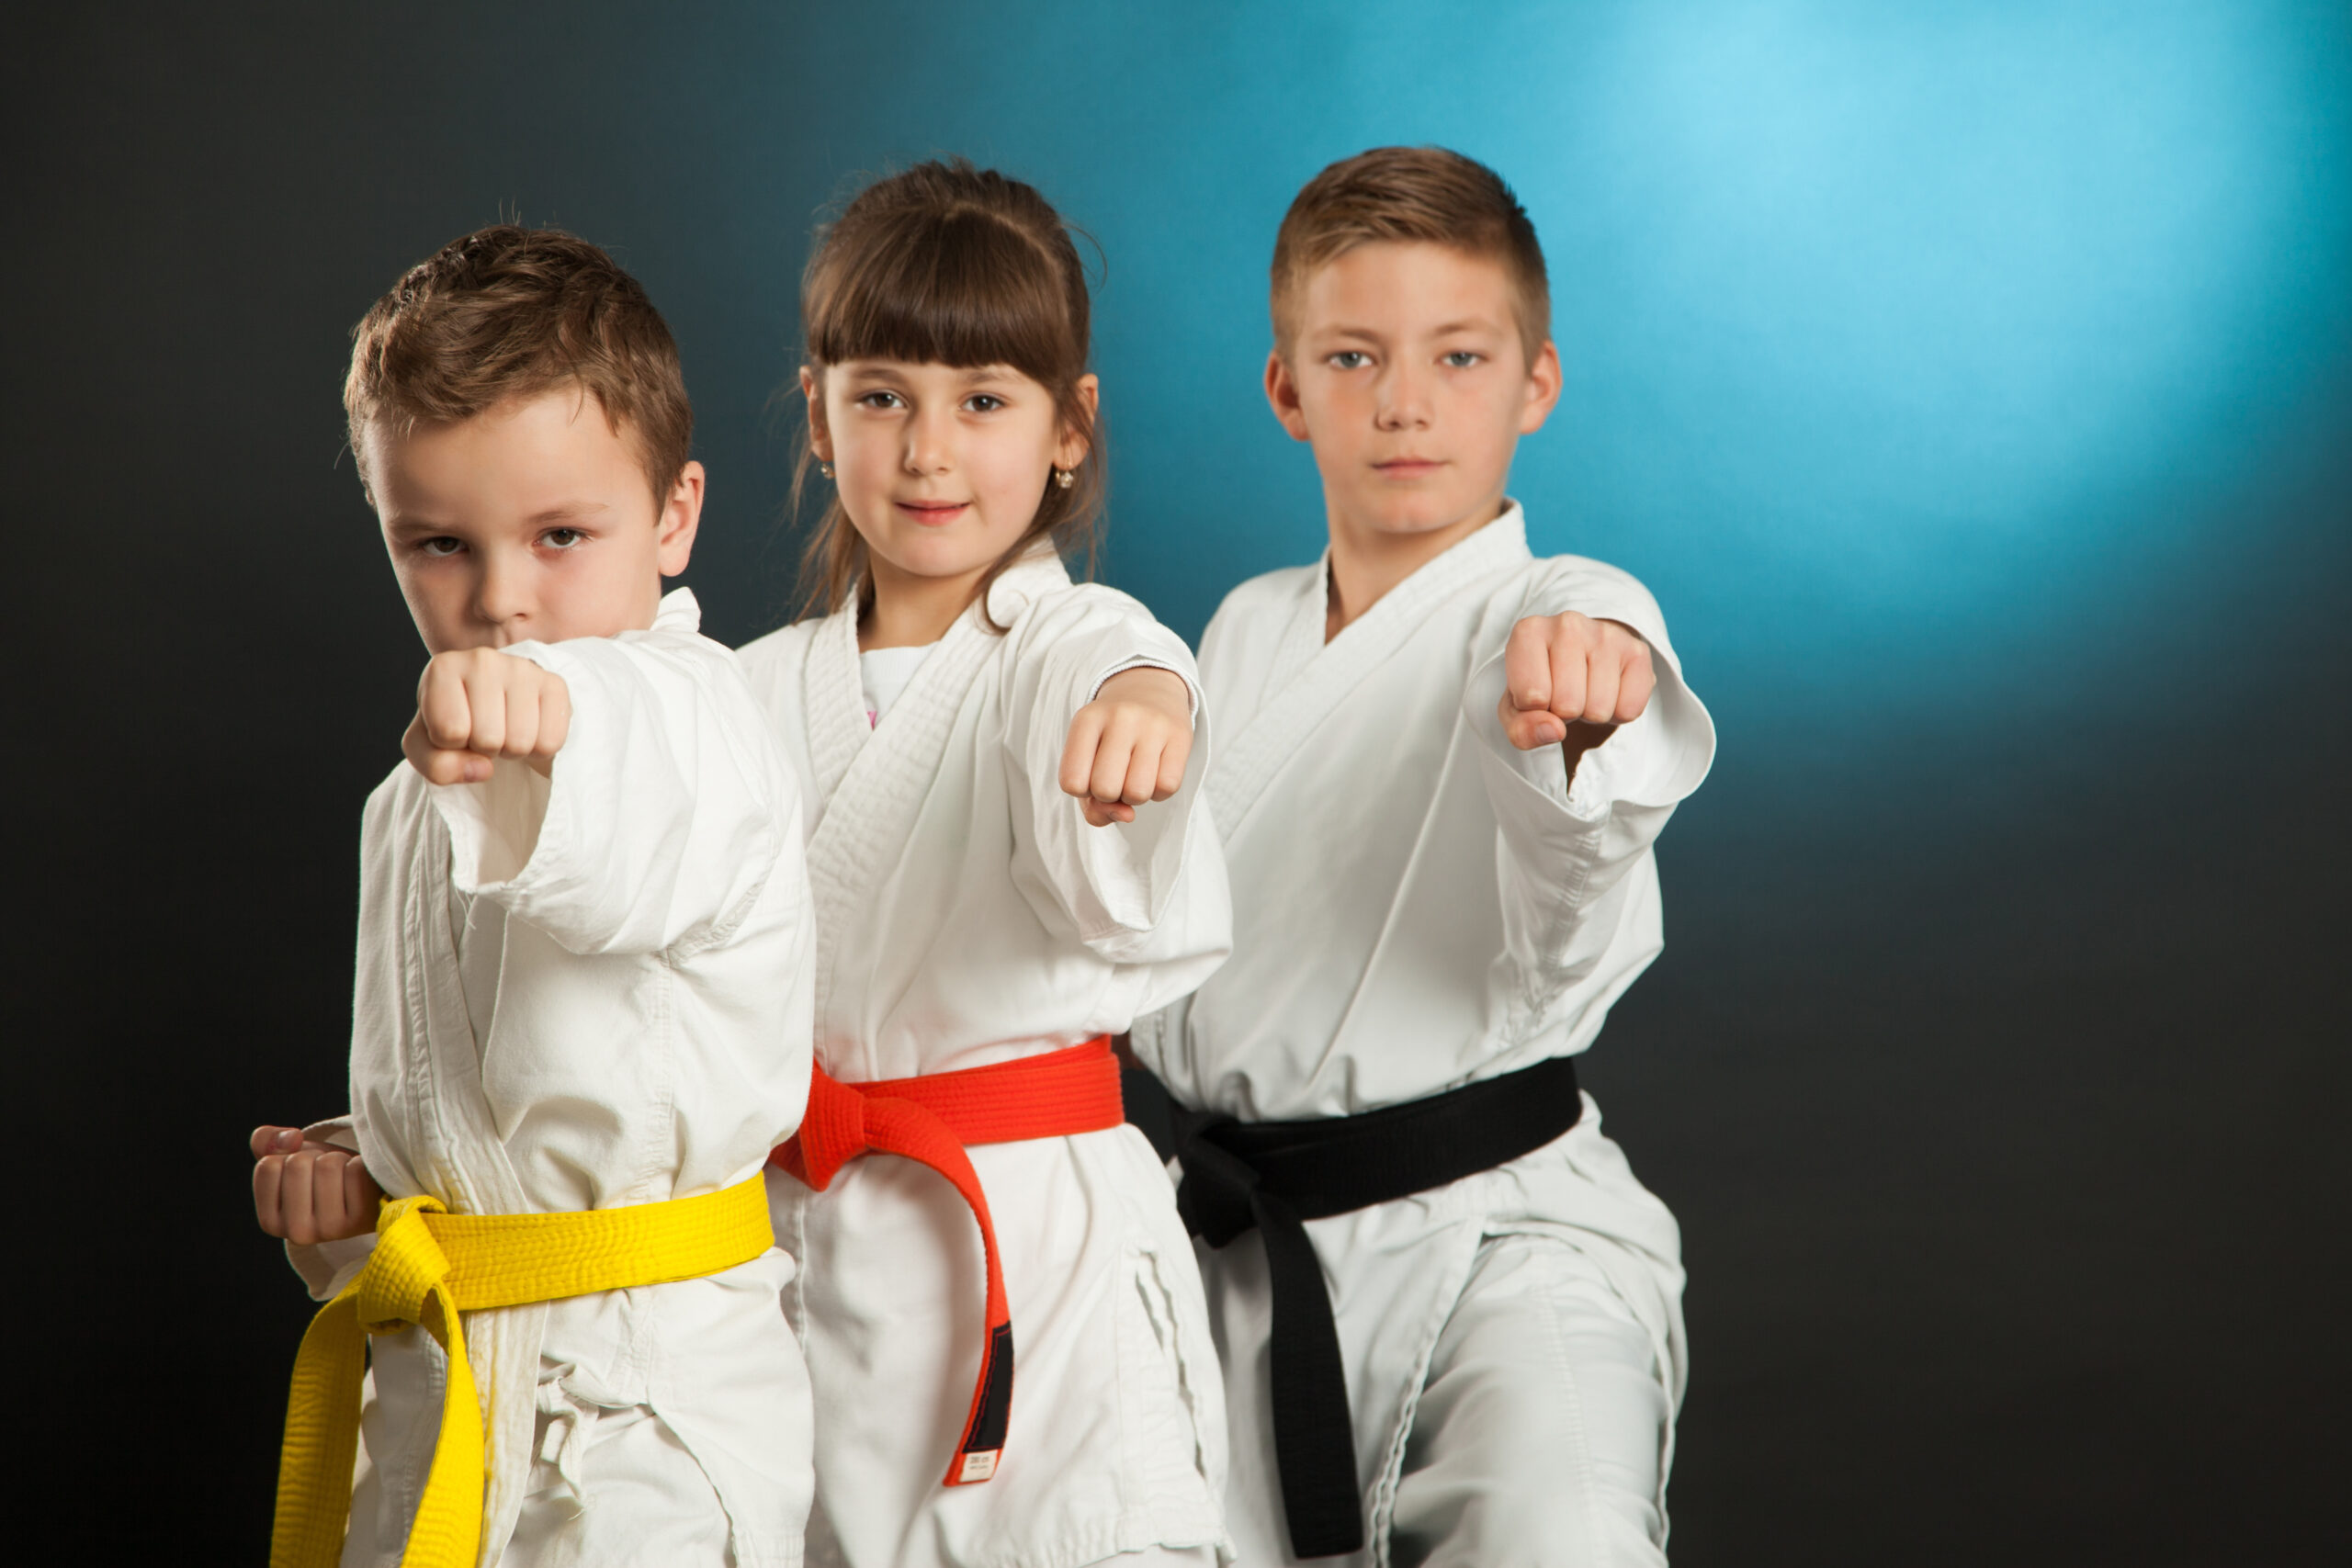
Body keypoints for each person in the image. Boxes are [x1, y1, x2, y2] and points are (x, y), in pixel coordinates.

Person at [1131, 146, 1718, 1566]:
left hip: (1501, 1256)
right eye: (1353, 357)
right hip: (1243, 1264)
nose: (1405, 403)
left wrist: (1585, 699)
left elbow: (1581, 776)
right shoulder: (1240, 631)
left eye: (1460, 358)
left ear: (1537, 383)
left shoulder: (1546, 614)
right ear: (1287, 391)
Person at [248, 225, 817, 1568]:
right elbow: (510, 1097)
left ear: (674, 517)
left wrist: (552, 715)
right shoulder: (414, 796)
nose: (503, 599)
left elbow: (623, 792)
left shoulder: (691, 721)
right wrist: (367, 1177)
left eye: (562, 535)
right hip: (444, 1397)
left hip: (637, 1433)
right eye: (438, 543)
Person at [733, 160, 1233, 1568]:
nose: (929, 450)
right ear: (819, 416)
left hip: (1036, 1248)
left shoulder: (1067, 654)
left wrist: (1149, 705)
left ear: (1071, 429)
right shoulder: (743, 688)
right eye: (881, 394)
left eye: (986, 400)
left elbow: (1120, 657)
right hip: (800, 1250)